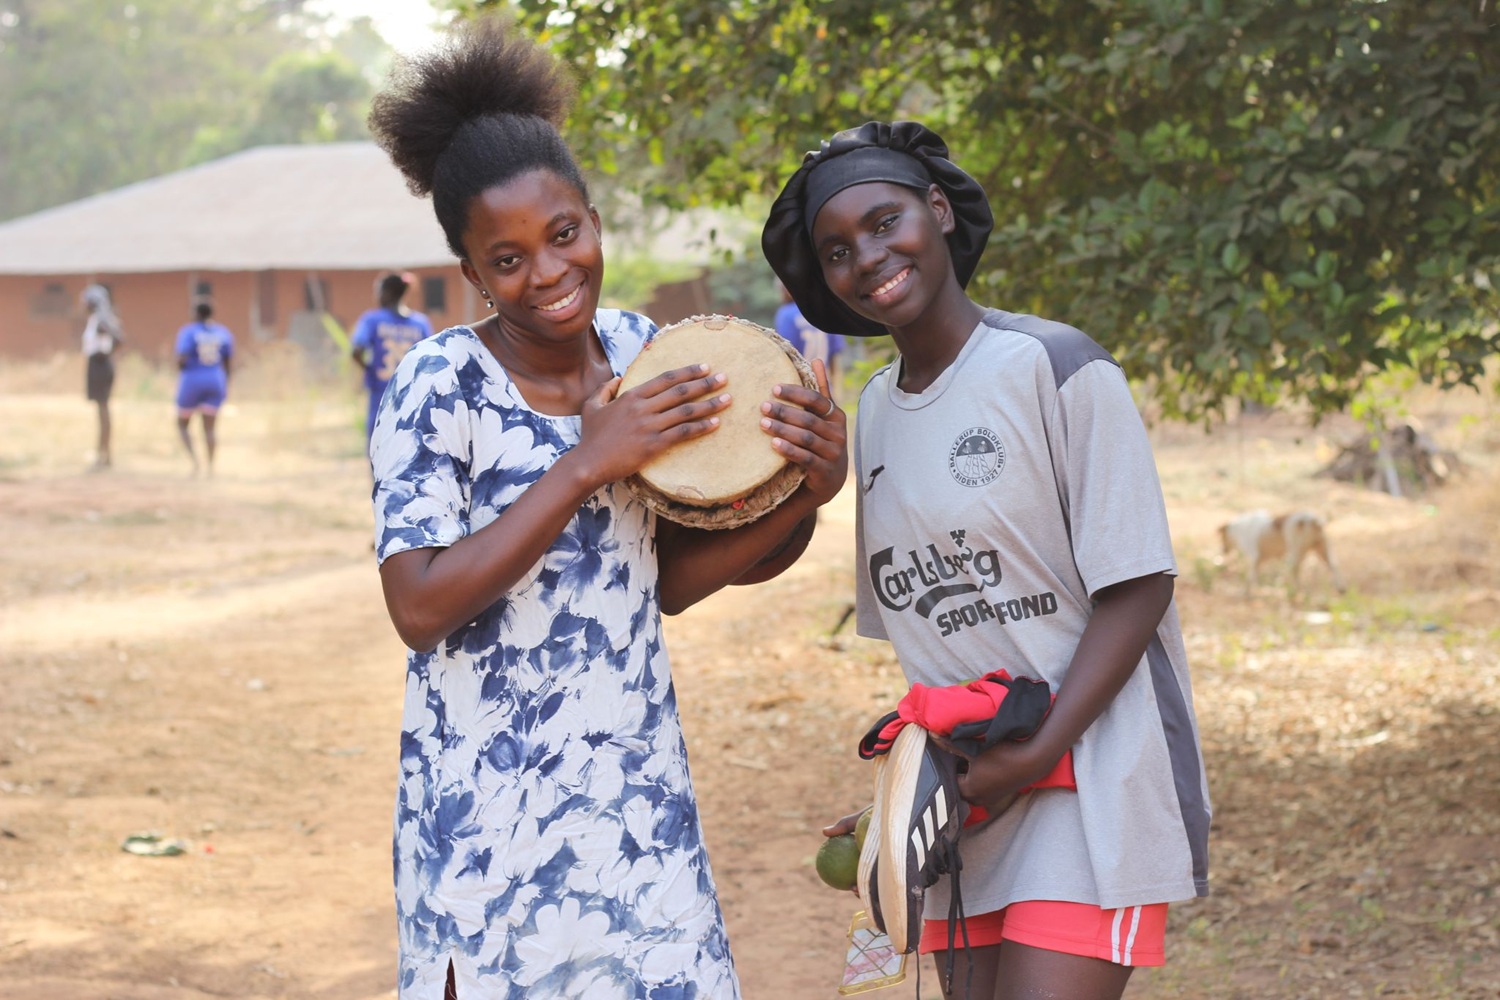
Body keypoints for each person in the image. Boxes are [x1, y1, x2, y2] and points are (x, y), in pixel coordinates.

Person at [364, 16, 848, 1000]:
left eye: (563, 233)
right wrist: (585, 465)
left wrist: (806, 493)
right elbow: (417, 608)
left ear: (592, 220)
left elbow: (663, 580)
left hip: (633, 802)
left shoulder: (650, 357)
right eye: (506, 260)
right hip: (485, 823)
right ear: (471, 273)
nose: (546, 272)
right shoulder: (439, 382)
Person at [763, 121, 1210, 1000]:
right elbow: (936, 630)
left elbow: (1139, 587)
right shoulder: (876, 415)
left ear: (938, 211)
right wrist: (904, 795)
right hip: (969, 812)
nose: (869, 257)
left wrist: (1032, 753)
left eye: (886, 221)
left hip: (1089, 786)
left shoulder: (1055, 365)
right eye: (838, 250)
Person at [350, 271, 433, 450]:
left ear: (386, 293)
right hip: (412, 394)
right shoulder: (420, 323)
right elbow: (431, 360)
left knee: (379, 448)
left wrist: (370, 370)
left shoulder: (372, 319)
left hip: (381, 393)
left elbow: (356, 351)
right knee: (410, 449)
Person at [173, 300, 235, 477]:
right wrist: (225, 383)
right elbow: (228, 362)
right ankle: (211, 467)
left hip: (192, 380)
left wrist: (180, 373)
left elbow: (181, 358)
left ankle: (195, 463)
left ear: (196, 313)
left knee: (182, 423)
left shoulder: (189, 332)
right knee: (210, 428)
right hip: (215, 379)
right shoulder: (223, 333)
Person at [774, 279, 845, 396]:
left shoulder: (786, 315)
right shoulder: (825, 310)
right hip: (824, 384)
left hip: (800, 386)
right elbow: (834, 356)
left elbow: (784, 352)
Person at [80, 284, 123, 470]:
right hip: (98, 365)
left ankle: (103, 455)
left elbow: (119, 338)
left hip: (100, 366)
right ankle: (104, 454)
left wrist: (106, 353)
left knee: (103, 410)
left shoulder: (101, 320)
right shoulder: (96, 319)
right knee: (102, 410)